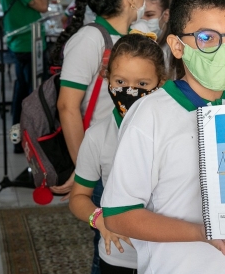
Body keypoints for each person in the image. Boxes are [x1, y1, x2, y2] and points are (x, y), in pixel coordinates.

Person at [101, 0, 225, 274]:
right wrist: (203, 232)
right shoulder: (150, 115)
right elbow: (118, 215)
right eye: (207, 38)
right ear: (178, 46)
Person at [52, 0, 148, 274]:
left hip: (131, 155)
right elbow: (68, 105)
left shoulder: (132, 36)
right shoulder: (91, 38)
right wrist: (85, 166)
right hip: (103, 157)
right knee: (108, 242)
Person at [69, 33, 166, 274]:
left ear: (160, 83)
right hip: (119, 258)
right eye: (120, 82)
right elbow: (78, 197)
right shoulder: (97, 136)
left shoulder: (172, 131)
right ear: (107, 78)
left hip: (168, 257)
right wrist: (99, 219)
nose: (129, 91)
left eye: (142, 84)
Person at [0, 0, 52, 153]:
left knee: (21, 94)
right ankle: (31, 142)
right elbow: (42, 5)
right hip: (27, 45)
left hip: (21, 45)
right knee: (33, 97)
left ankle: (18, 140)